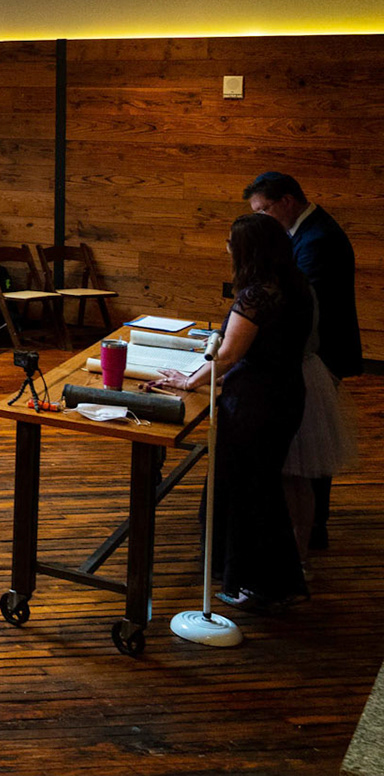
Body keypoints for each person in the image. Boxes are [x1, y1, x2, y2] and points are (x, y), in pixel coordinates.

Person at [156, 214, 311, 612]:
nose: (226, 248)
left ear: (248, 251)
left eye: (230, 243)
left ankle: (259, 584)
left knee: (250, 492)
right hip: (284, 395)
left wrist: (188, 381)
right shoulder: (295, 285)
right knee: (262, 488)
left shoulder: (257, 294)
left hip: (255, 405)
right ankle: (270, 581)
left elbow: (227, 354)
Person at [244, 171, 361, 550]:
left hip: (319, 353)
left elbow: (299, 306)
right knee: (308, 444)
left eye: (263, 210)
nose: (261, 219)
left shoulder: (318, 240)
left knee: (310, 443)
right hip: (312, 349)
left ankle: (311, 530)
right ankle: (309, 528)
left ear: (287, 201)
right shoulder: (308, 232)